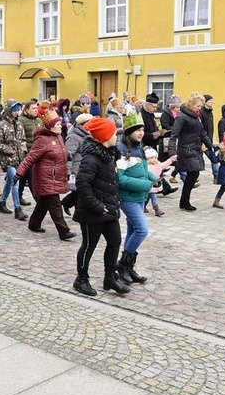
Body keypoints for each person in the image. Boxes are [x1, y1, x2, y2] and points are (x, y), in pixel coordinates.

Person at [71, 118, 130, 297]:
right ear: (104, 137)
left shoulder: (110, 154)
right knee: (89, 245)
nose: (116, 136)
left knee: (114, 242)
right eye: (113, 134)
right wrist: (97, 206)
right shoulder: (91, 159)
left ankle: (110, 278)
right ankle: (81, 279)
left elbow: (111, 182)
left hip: (109, 209)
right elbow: (82, 185)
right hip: (92, 212)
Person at [15, 110, 77, 241]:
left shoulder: (58, 136)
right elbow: (30, 158)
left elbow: (60, 152)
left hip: (55, 176)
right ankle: (64, 231)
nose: (61, 126)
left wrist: (68, 156)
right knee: (55, 204)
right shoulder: (42, 140)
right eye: (59, 124)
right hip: (46, 177)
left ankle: (34, 224)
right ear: (51, 126)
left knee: (44, 203)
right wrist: (19, 173)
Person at [116, 113, 158, 283]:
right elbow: (120, 178)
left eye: (142, 130)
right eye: (137, 130)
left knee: (133, 230)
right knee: (142, 230)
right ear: (128, 132)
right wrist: (145, 185)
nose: (141, 133)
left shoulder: (139, 148)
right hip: (128, 198)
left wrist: (153, 178)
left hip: (139, 196)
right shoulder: (122, 150)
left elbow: (141, 170)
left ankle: (128, 268)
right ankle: (122, 265)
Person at [168, 93, 215, 211]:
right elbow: (174, 135)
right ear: (191, 104)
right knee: (193, 174)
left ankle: (184, 201)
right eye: (198, 106)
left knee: (193, 175)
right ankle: (185, 201)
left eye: (201, 106)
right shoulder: (182, 117)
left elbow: (202, 133)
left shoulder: (196, 117)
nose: (200, 109)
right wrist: (172, 152)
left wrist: (211, 146)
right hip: (186, 149)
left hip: (195, 149)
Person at [0, 100, 28, 221]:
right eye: (14, 110)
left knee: (9, 181)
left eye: (18, 110)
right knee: (14, 182)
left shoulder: (19, 124)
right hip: (7, 160)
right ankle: (17, 208)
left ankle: (2, 203)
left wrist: (23, 151)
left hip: (19, 159)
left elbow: (23, 139)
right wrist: (9, 150)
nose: (16, 112)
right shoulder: (0, 125)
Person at [61, 113, 93, 215]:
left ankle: (67, 202)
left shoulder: (88, 135)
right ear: (83, 124)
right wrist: (69, 173)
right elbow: (68, 156)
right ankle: (73, 207)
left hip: (86, 168)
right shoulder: (73, 137)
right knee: (81, 191)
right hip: (77, 169)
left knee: (80, 191)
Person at [17, 101, 42, 206]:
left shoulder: (39, 120)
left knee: (23, 177)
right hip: (28, 154)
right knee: (31, 177)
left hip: (38, 153)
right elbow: (20, 138)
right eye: (33, 108)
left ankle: (18, 196)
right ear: (26, 110)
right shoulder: (20, 121)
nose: (36, 110)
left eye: (36, 108)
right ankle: (38, 200)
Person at [143, 148, 177, 217]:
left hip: (155, 185)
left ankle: (150, 208)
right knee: (149, 196)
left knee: (151, 196)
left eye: (155, 157)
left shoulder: (158, 164)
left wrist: (171, 159)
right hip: (149, 185)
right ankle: (152, 208)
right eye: (152, 158)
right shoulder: (145, 166)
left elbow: (165, 164)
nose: (154, 159)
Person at [200, 94, 218, 183]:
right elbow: (201, 128)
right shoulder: (201, 112)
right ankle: (178, 173)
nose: (212, 102)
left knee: (213, 158)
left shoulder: (210, 112)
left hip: (209, 140)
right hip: (202, 141)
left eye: (212, 100)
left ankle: (216, 176)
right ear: (205, 102)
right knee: (198, 159)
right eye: (210, 100)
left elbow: (211, 128)